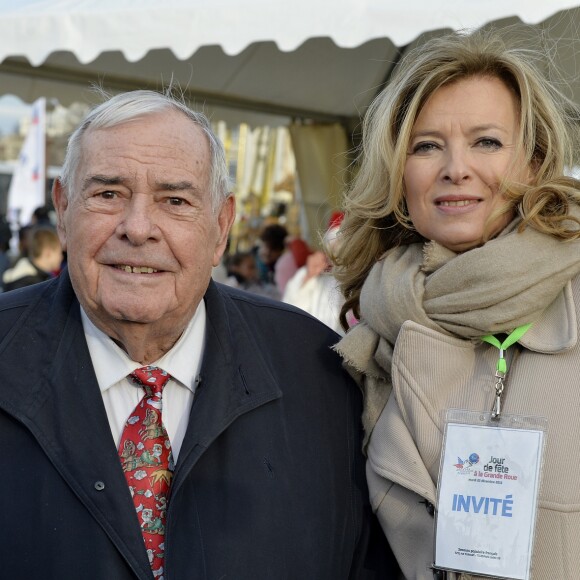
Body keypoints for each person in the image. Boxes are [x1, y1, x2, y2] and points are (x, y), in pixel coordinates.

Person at [0, 89, 393, 579]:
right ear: (62, 209)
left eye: (175, 200)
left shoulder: (320, 374)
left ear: (221, 226)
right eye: (108, 194)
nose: (138, 228)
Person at [333, 30, 580, 580]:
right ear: (399, 175)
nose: (455, 168)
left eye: (486, 142)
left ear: (535, 163)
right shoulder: (374, 320)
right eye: (426, 146)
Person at [283, 212, 345, 334]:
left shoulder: (362, 278)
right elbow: (290, 310)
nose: (338, 251)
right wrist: (308, 276)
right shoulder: (316, 276)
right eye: (334, 244)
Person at [2, 226, 62, 291]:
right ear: (48, 253)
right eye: (59, 253)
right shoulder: (32, 284)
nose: (61, 257)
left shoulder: (23, 273)